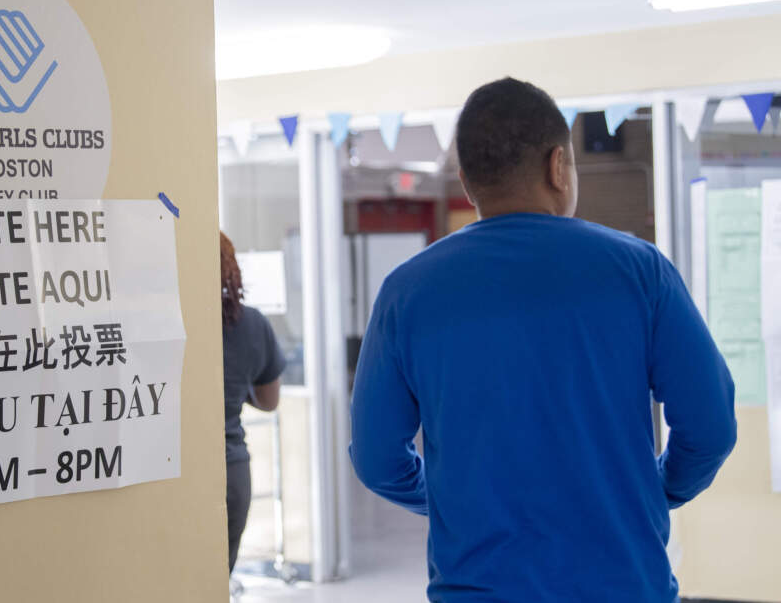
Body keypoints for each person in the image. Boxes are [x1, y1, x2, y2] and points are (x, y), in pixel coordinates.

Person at [349, 78, 737, 602]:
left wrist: (443, 499)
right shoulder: (640, 272)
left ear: (466, 183)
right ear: (559, 166)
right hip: (623, 587)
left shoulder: (406, 292)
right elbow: (710, 427)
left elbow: (376, 459)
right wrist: (654, 491)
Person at [220, 231, 286, 574]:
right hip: (231, 471)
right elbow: (269, 400)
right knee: (216, 580)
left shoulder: (170, 321)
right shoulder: (252, 324)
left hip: (176, 471)